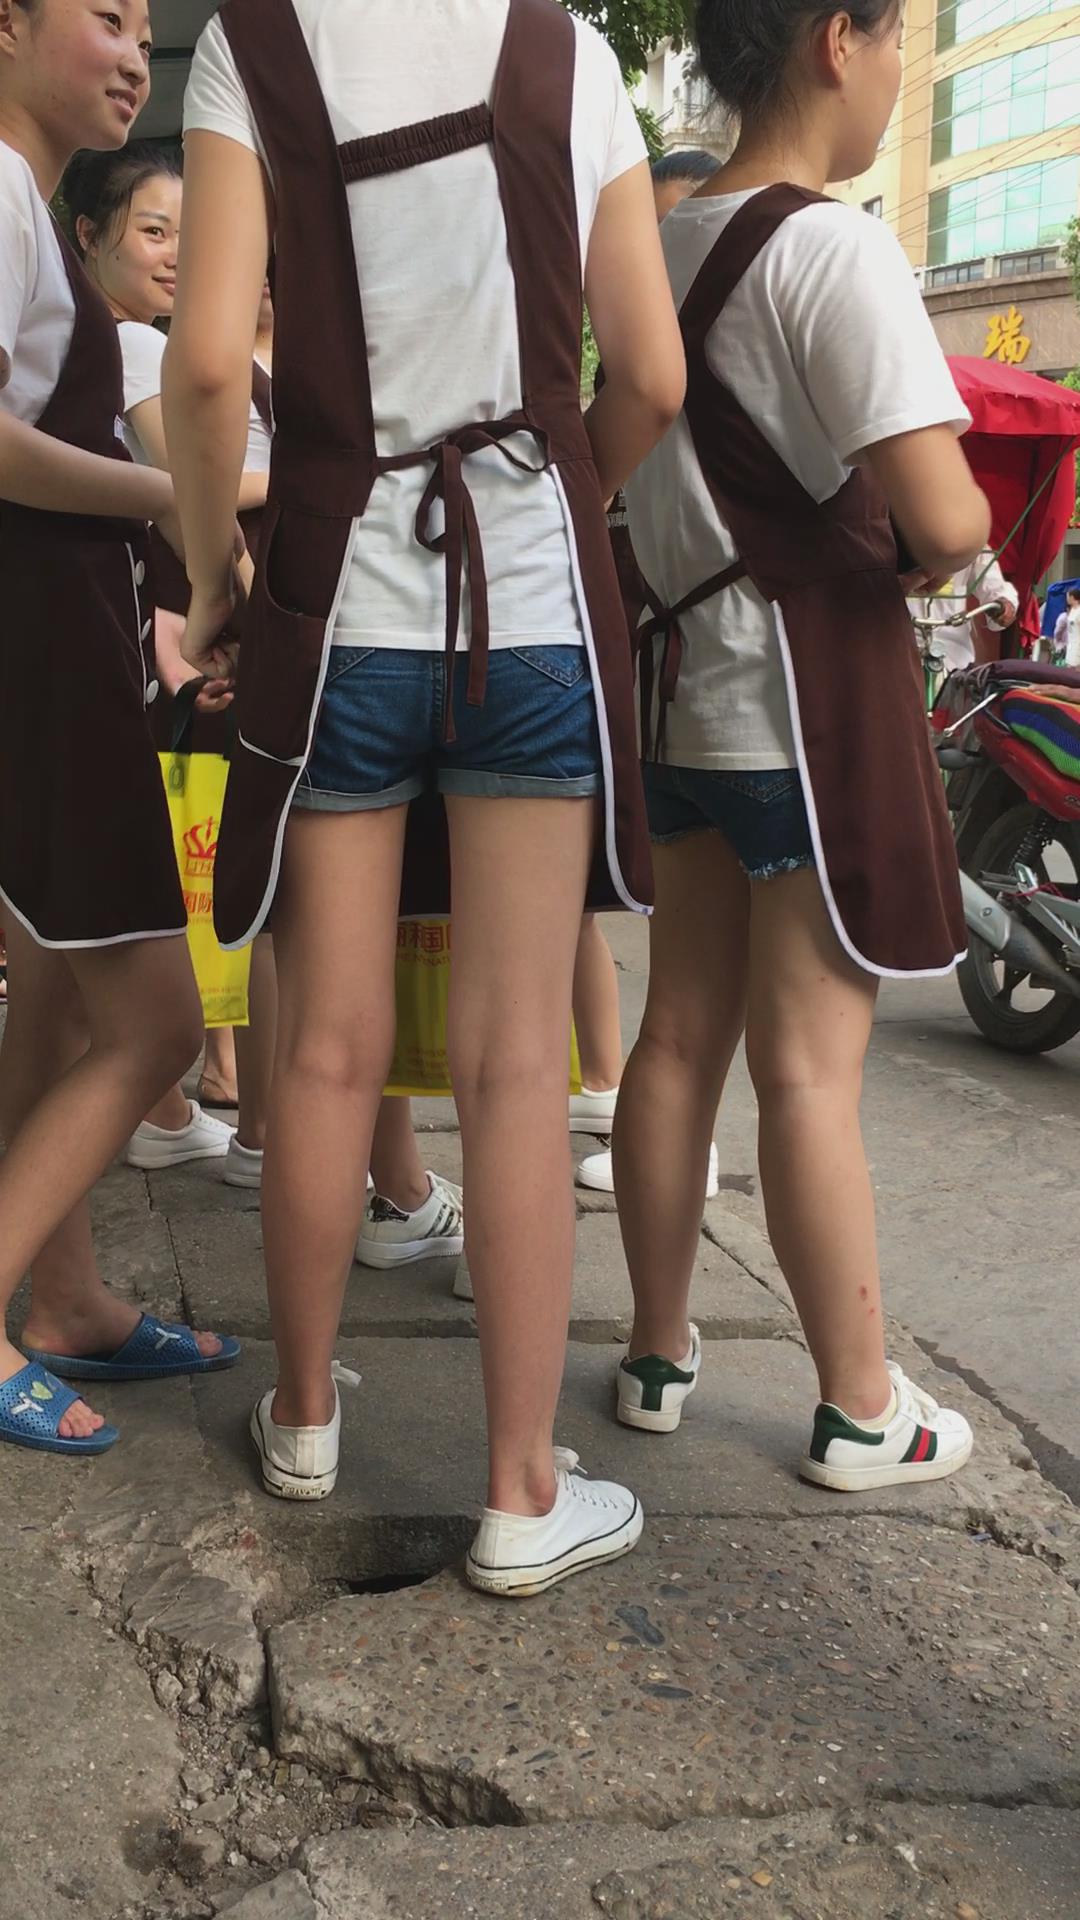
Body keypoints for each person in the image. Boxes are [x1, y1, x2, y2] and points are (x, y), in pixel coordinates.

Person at [164, 0, 683, 1589]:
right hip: (530, 616)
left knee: (326, 1045)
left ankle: (304, 1415)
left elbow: (207, 368)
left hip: (337, 611)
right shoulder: (568, 51)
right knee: (521, 1060)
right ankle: (522, 1492)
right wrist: (554, 504)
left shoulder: (251, 43)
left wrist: (218, 581)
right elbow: (651, 375)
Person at [617, 0, 988, 1487]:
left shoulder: (659, 244)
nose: (896, 77)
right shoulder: (831, 249)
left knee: (675, 1036)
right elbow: (946, 518)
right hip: (803, 716)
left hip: (681, 704)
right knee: (811, 1073)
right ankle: (859, 1405)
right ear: (840, 40)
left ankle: (656, 1352)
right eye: (895, 45)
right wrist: (952, 530)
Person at [0, 0, 238, 1460]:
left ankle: (71, 1296)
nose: (138, 53)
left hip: (61, 642)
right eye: (107, 18)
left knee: (62, 1006)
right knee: (155, 1017)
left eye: (149, 27)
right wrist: (176, 502)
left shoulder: (26, 205)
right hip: (40, 652)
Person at [576, 147, 724, 1199]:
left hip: (715, 689)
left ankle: (683, 1149)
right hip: (628, 682)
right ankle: (616, 1100)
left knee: (704, 975)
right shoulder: (625, 373)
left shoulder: (706, 370)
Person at [914, 548, 1019, 675]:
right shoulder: (893, 541)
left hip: (954, 651)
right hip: (903, 644)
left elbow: (994, 586)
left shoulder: (972, 543)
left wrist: (1003, 604)